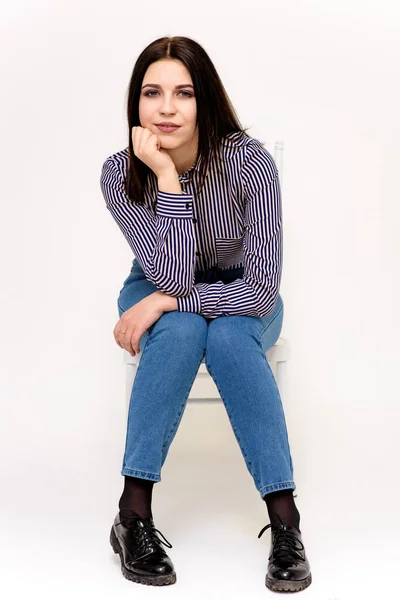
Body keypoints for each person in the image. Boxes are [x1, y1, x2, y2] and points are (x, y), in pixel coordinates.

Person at [100, 35, 311, 593]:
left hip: (246, 295)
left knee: (228, 340)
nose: (166, 108)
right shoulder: (119, 172)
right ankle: (133, 515)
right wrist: (166, 179)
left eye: (183, 93)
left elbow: (262, 286)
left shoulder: (249, 163)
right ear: (136, 103)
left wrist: (170, 301)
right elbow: (169, 275)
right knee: (182, 331)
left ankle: (285, 522)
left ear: (205, 100)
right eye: (152, 93)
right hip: (156, 286)